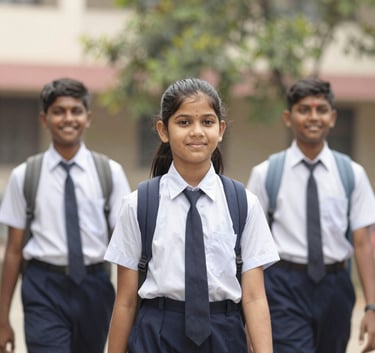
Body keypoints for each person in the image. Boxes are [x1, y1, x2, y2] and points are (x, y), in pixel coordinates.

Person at [104, 78, 279, 353]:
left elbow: (255, 297)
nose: (197, 131)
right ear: (163, 130)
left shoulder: (244, 203)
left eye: (207, 122)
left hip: (225, 333)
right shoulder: (138, 204)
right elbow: (125, 301)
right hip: (157, 333)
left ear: (220, 130)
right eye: (184, 122)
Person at [0, 78, 131, 353]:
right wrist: (2, 318)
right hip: (43, 286)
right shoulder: (25, 176)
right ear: (44, 119)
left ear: (88, 117)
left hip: (95, 286)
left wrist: (134, 309)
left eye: (76, 111)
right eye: (59, 111)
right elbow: (13, 251)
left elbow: (128, 249)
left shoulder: (110, 173)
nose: (68, 118)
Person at [247, 78, 375, 353]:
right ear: (288, 117)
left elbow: (363, 243)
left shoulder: (352, 174)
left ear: (332, 117)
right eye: (304, 109)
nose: (313, 117)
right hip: (283, 284)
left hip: (336, 285)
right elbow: (250, 246)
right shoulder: (266, 174)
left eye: (321, 109)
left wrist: (372, 307)